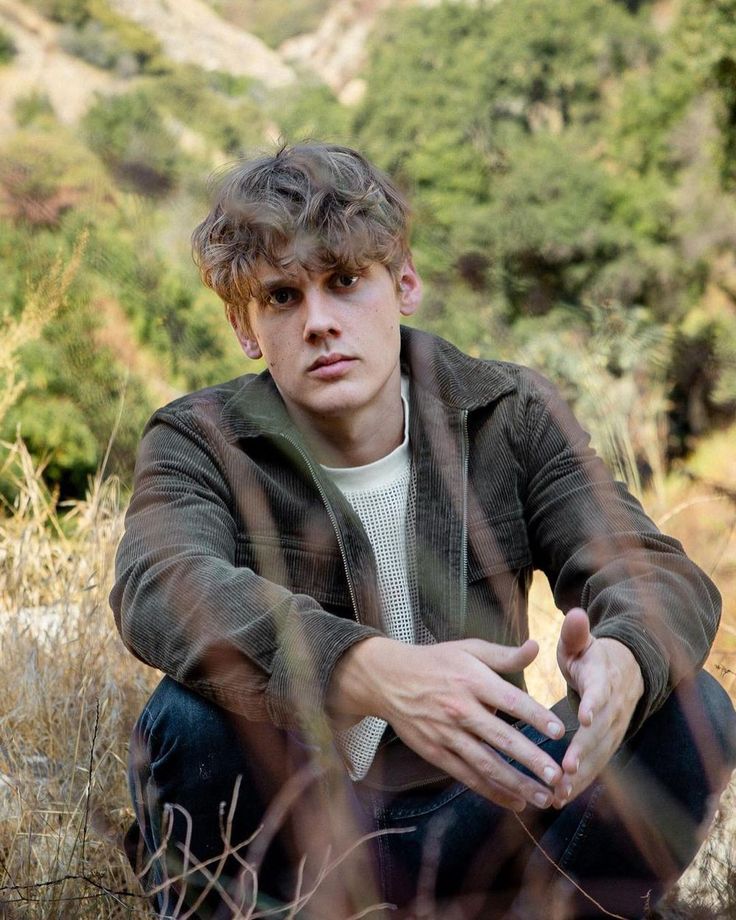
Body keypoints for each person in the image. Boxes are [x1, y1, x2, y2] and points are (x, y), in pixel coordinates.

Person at [111, 142, 736, 919]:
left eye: (345, 282)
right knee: (188, 720)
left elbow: (651, 568)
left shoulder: (509, 413)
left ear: (403, 281)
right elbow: (158, 582)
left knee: (689, 708)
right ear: (245, 325)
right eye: (281, 297)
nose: (319, 323)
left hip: (488, 811)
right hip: (301, 824)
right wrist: (368, 672)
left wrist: (625, 663)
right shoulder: (199, 439)